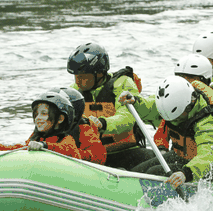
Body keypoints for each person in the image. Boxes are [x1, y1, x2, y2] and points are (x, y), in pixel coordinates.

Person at [118, 77, 213, 188]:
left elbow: (208, 155)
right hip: (182, 157)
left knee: (153, 173)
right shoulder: (171, 102)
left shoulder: (208, 122)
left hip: (210, 170)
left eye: (177, 117)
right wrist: (135, 102)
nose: (174, 122)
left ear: (189, 105)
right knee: (137, 172)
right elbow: (150, 108)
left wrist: (186, 173)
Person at [66, 42, 155, 170]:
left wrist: (102, 123)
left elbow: (127, 118)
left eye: (83, 76)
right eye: (76, 76)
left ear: (100, 73)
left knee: (151, 160)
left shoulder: (122, 83)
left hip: (125, 151)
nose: (78, 81)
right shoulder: (75, 90)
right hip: (93, 153)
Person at [0, 90, 82, 159]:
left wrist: (44, 146)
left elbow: (68, 151)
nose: (38, 118)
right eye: (36, 114)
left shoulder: (67, 141)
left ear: (60, 119)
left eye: (44, 113)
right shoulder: (35, 139)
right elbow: (16, 148)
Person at [59, 87, 107, 165]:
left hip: (80, 168)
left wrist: (71, 153)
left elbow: (99, 156)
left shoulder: (84, 127)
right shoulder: (45, 127)